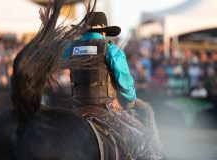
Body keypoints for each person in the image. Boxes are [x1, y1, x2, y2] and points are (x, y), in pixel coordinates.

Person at [40, 10, 162, 159]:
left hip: (78, 108)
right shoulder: (110, 49)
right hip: (107, 108)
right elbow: (125, 82)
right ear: (104, 32)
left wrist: (48, 27)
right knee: (142, 136)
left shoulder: (70, 48)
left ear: (84, 29)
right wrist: (130, 100)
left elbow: (50, 50)